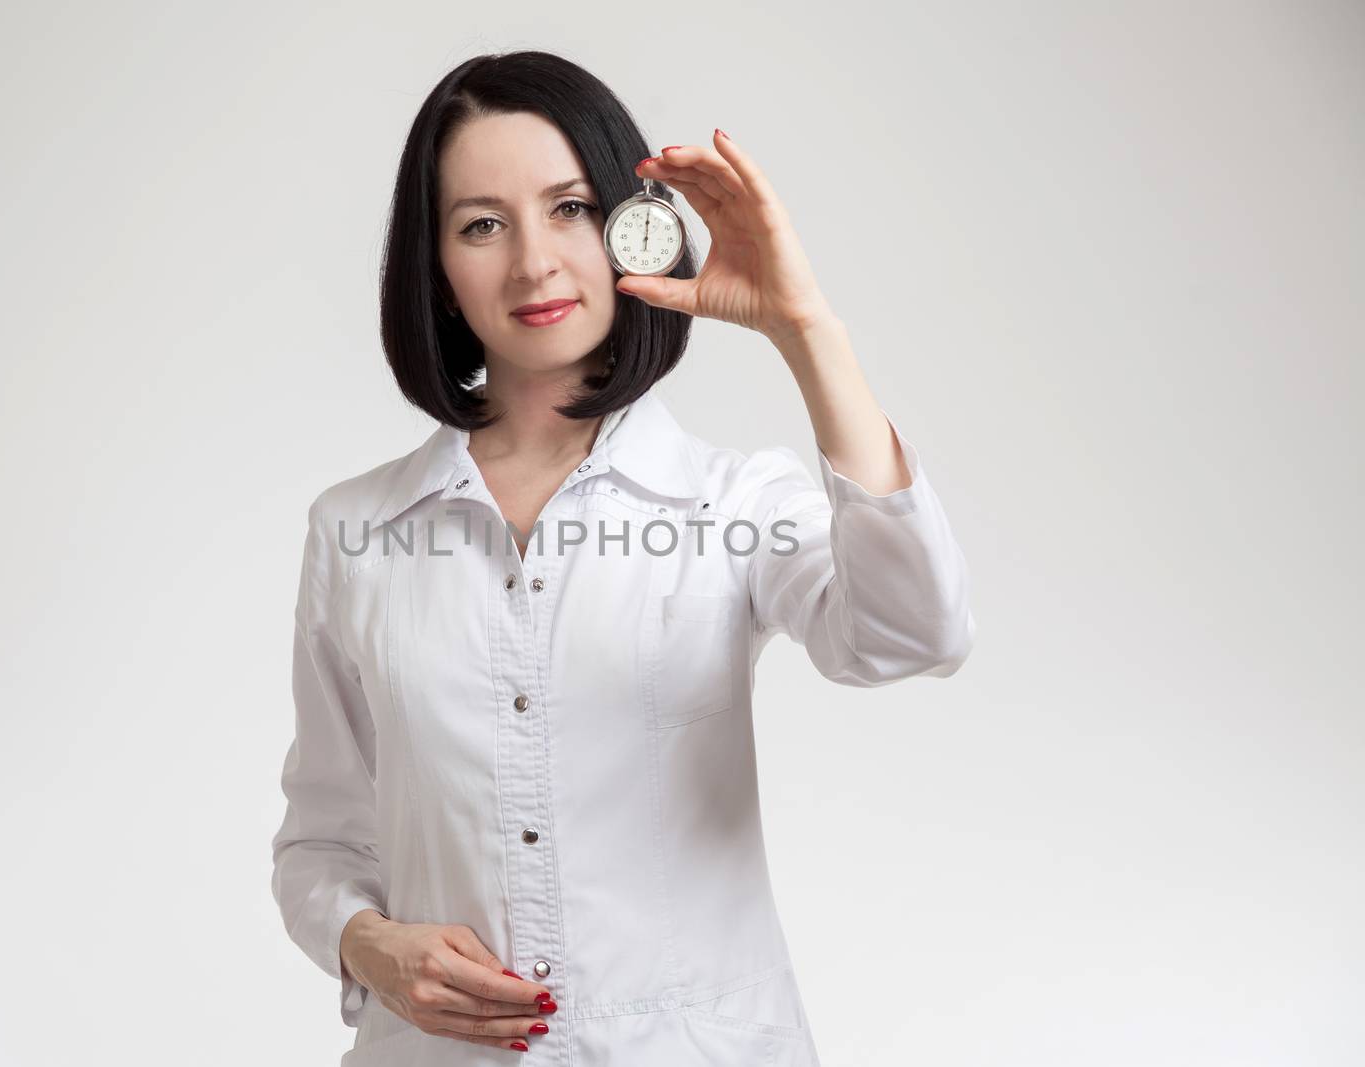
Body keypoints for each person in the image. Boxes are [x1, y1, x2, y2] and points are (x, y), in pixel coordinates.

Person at [270, 51, 976, 1066]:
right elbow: (321, 838)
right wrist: (369, 942)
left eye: (569, 208)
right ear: (435, 264)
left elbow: (915, 633)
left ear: (630, 223)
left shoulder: (729, 502)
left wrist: (804, 330)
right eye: (481, 223)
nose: (534, 263)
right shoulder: (357, 530)